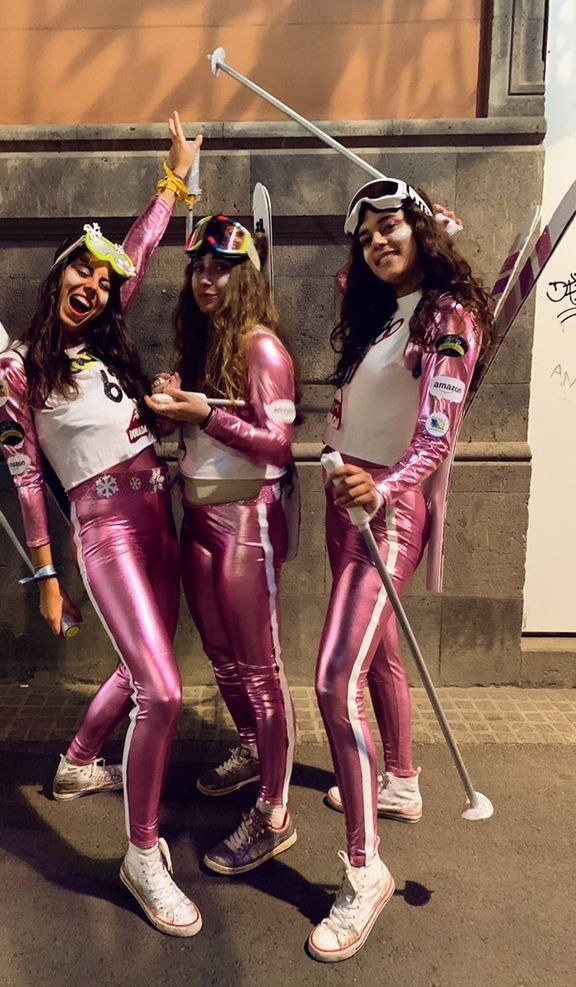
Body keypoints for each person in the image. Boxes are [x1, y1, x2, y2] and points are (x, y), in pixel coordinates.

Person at [0, 114, 204, 938]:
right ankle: (142, 853)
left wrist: (172, 182)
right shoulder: (15, 369)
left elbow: (138, 253)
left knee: (142, 665)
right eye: (81, 271)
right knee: (165, 687)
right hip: (104, 525)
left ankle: (79, 762)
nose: (95, 284)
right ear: (55, 279)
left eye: (103, 280)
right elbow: (26, 482)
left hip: (163, 513)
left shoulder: (106, 349)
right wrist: (46, 578)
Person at [308, 179, 492, 962]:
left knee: (330, 679)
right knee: (376, 652)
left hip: (385, 504)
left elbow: (438, 434)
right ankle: (403, 779)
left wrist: (380, 487)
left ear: (419, 229)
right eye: (368, 234)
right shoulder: (385, 309)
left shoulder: (449, 316)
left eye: (392, 227)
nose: (378, 243)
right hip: (344, 494)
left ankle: (364, 870)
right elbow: (353, 276)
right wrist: (424, 229)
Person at [146, 215, 299, 875]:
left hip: (246, 520)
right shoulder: (206, 336)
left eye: (220, 268)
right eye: (199, 267)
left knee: (259, 665)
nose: (206, 279)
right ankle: (251, 752)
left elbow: (279, 443)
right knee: (222, 655)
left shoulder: (261, 348)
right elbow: (205, 426)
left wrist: (202, 411)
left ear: (245, 276)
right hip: (199, 518)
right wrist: (176, 402)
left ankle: (275, 812)